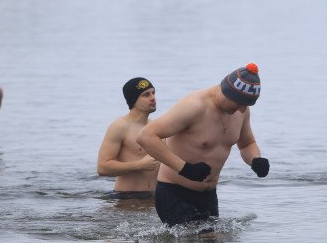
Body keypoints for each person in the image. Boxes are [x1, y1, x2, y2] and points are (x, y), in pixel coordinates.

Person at [137, 63, 269, 226]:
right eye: (239, 103)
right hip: (174, 192)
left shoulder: (241, 111)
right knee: (205, 238)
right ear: (227, 92)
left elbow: (247, 144)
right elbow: (146, 136)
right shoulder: (194, 106)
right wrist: (184, 168)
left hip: (209, 196)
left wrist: (255, 160)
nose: (242, 109)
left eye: (247, 105)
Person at [97, 77, 160, 195]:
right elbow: (102, 168)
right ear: (133, 100)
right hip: (127, 198)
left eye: (153, 93)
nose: (153, 98)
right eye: (146, 95)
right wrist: (139, 165)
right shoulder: (120, 127)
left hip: (154, 199)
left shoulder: (156, 127)